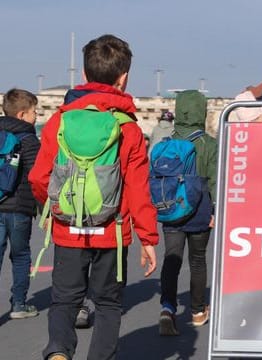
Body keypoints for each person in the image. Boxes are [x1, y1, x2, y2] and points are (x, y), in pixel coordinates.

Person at [28, 34, 158, 360]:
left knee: (64, 300)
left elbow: (39, 177)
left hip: (68, 230)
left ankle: (58, 350)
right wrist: (148, 237)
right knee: (109, 304)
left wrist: (57, 208)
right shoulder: (128, 128)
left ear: (84, 76)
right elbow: (138, 188)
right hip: (111, 232)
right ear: (124, 78)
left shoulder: (59, 121)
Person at [158, 89, 217, 336]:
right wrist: (214, 210)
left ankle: (167, 308)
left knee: (172, 260)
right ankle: (197, 311)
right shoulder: (209, 144)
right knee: (197, 260)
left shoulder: (166, 143)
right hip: (200, 207)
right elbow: (214, 180)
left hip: (171, 207)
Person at [0, 88, 40, 319]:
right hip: (19, 209)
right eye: (34, 112)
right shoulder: (29, 139)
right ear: (22, 115)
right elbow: (37, 175)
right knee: (21, 256)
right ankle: (18, 305)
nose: (37, 116)